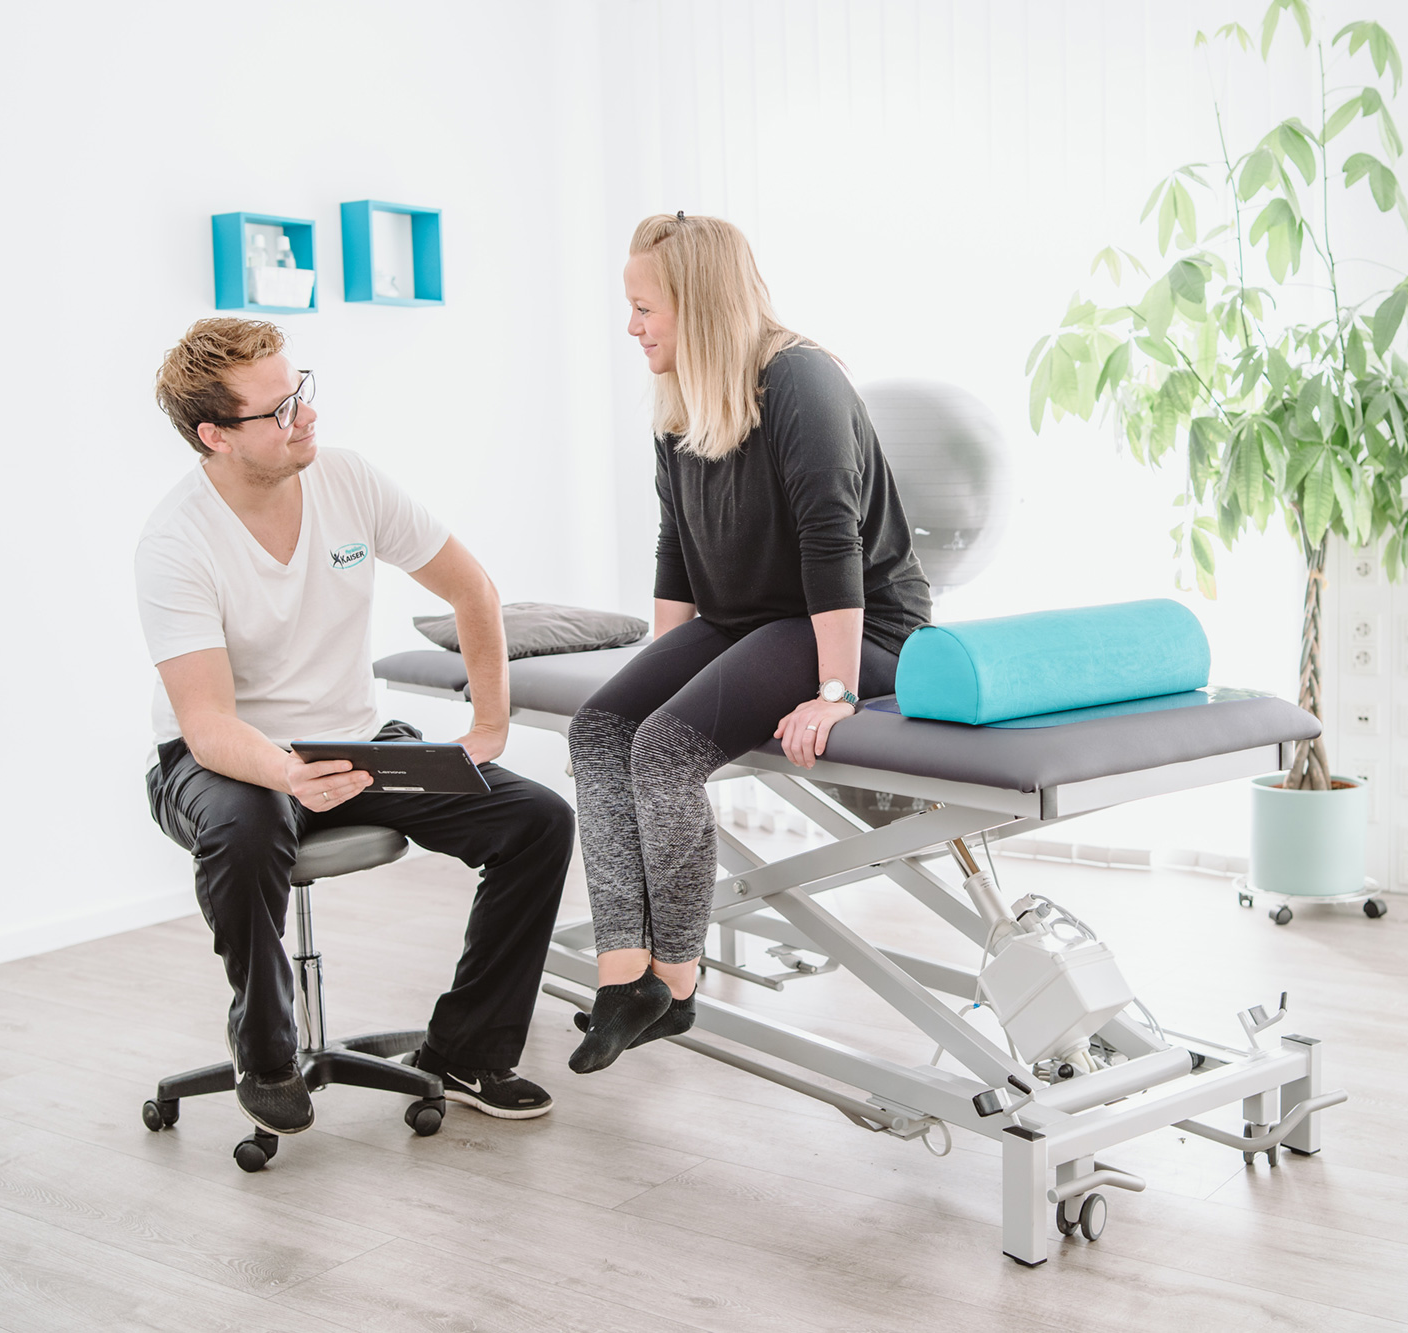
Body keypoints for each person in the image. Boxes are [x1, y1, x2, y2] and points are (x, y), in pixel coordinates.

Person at [138, 318, 573, 1136]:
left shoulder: (348, 479)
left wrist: (488, 724)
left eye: (299, 390)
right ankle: (266, 1051)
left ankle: (466, 1050)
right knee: (247, 828)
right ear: (214, 436)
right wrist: (286, 773)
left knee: (536, 820)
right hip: (223, 760)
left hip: (354, 741)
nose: (304, 415)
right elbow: (206, 724)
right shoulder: (176, 542)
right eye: (278, 410)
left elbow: (472, 589)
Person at [566, 214, 931, 1074]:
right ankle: (622, 975)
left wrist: (836, 693)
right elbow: (676, 546)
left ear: (697, 304)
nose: (632, 326)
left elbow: (831, 540)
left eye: (645, 307)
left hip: (863, 626)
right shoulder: (679, 397)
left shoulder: (800, 378)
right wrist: (661, 670)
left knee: (665, 751)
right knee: (601, 730)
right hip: (746, 621)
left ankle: (675, 982)